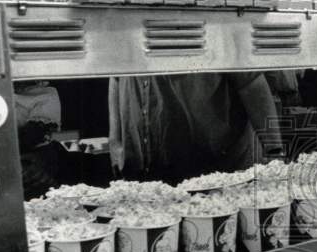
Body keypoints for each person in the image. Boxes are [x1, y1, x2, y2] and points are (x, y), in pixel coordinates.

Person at [108, 72, 283, 185]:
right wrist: (114, 140)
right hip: (149, 174)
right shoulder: (122, 20)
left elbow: (252, 83)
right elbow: (115, 76)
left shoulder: (214, 19)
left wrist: (275, 154)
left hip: (215, 175)